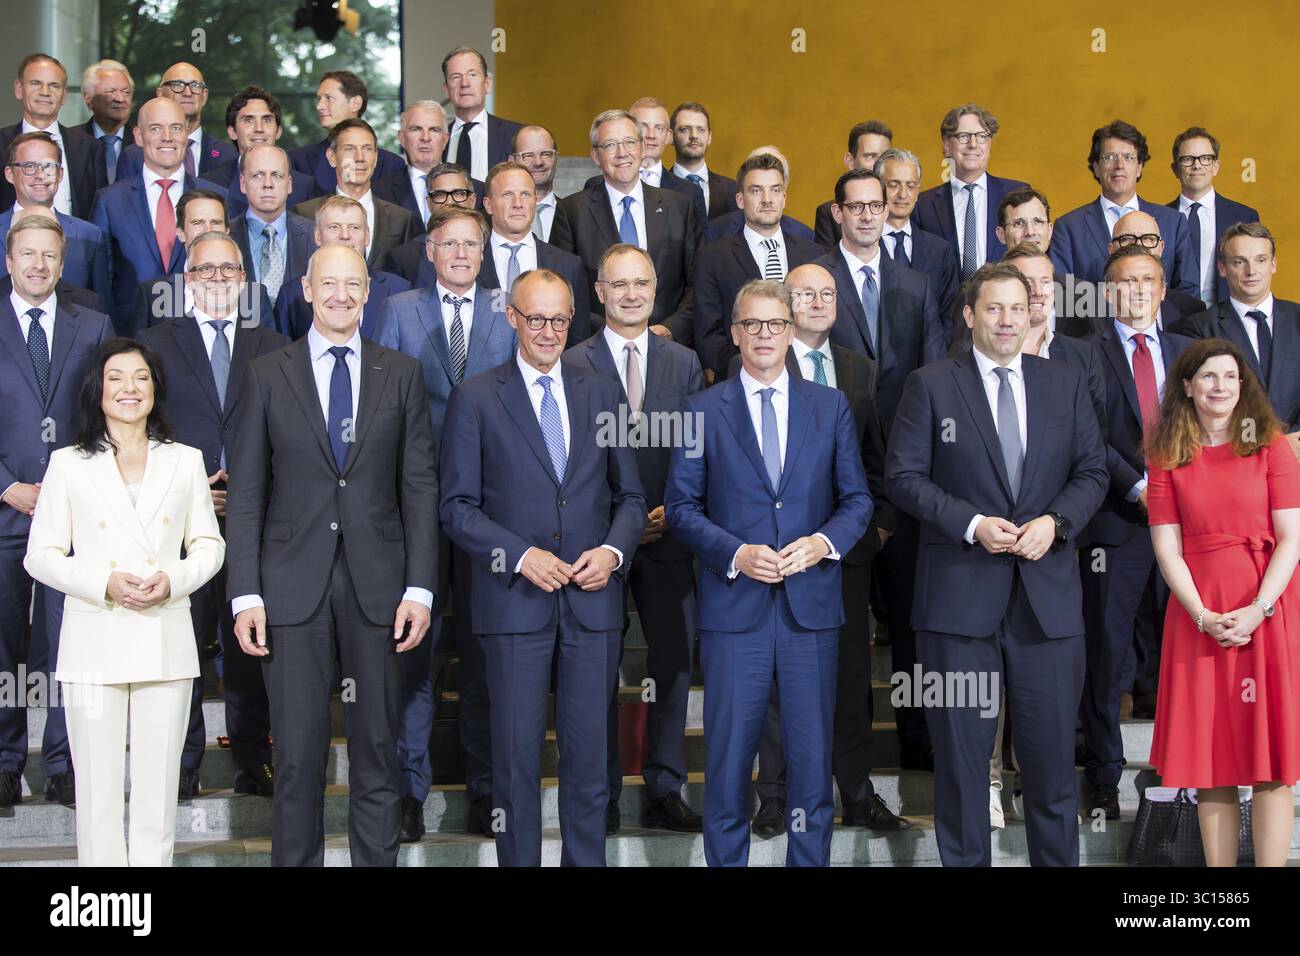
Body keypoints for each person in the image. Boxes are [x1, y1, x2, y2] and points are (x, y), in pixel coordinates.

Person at [885, 262, 1107, 866]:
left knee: (1053, 768)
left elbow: (1093, 471)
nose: (1007, 320)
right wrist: (972, 524)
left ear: (1033, 311)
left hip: (1049, 606)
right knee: (959, 770)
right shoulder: (931, 384)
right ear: (969, 315)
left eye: (1018, 307)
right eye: (993, 309)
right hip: (959, 606)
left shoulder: (1062, 382)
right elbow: (902, 477)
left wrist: (1055, 524)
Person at [225, 244, 437, 867]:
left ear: (368, 291)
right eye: (329, 283)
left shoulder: (400, 373)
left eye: (353, 283)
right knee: (295, 757)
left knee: (377, 750)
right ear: (307, 289)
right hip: (289, 589)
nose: (341, 294)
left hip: (381, 590)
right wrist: (246, 593)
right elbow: (247, 496)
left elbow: (419, 488)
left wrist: (420, 588)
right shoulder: (268, 373)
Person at [439, 268, 646, 867]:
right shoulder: (475, 397)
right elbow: (456, 507)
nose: (549, 331)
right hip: (513, 606)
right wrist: (522, 556)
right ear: (512, 318)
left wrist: (611, 552)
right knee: (515, 763)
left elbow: (631, 498)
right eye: (537, 318)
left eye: (560, 319)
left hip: (592, 606)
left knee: (588, 763)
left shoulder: (601, 393)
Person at [665, 279, 873, 866]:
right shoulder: (700, 410)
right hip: (736, 611)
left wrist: (821, 543)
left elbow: (857, 500)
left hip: (811, 609)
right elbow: (680, 508)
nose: (763, 335)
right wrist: (735, 554)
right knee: (729, 762)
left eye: (775, 324)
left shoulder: (829, 407)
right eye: (751, 325)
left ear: (791, 331)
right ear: (733, 334)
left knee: (812, 762)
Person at [24, 337, 224, 865]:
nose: (129, 389)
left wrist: (173, 579)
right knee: (96, 799)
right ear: (98, 390)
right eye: (116, 378)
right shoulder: (68, 464)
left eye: (140, 377)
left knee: (157, 798)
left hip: (164, 636)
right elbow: (40, 555)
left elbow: (209, 546)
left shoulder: (185, 461)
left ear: (155, 389)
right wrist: (103, 582)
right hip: (95, 637)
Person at [746, 263, 909, 837]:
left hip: (842, 553)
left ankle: (857, 793)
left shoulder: (860, 368)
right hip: (771, 554)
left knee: (848, 678)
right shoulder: (760, 358)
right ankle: (775, 795)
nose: (817, 301)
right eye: (803, 294)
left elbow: (877, 459)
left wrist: (873, 532)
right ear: (781, 308)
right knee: (774, 679)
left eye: (827, 293)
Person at [373, 204, 515, 841]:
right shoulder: (400, 311)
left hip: (489, 511)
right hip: (417, 511)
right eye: (448, 243)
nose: (460, 253)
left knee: (486, 660)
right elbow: (385, 408)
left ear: (484, 252)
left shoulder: (507, 314)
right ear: (429, 252)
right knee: (415, 659)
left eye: (471, 244)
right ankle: (408, 792)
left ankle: (490, 795)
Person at [561, 243, 706, 835]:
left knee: (672, 666)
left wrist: (675, 508)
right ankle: (601, 796)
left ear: (655, 290)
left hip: (670, 535)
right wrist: (618, 525)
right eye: (617, 284)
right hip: (597, 544)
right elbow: (566, 459)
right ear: (599, 292)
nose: (630, 294)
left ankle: (664, 789)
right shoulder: (571, 360)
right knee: (595, 669)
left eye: (640, 283)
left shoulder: (685, 362)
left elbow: (696, 448)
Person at [138, 231, 288, 800]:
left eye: (229, 270)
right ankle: (183, 765)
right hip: (178, 519)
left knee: (250, 645)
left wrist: (247, 485)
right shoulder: (155, 342)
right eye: (206, 271)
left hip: (255, 520)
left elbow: (287, 432)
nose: (219, 279)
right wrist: (192, 486)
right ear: (187, 280)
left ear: (245, 280)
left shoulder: (275, 344)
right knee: (182, 645)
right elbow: (144, 427)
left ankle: (254, 761)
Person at [1146, 337, 1300, 867]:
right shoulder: (1167, 452)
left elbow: (1292, 539)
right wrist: (1204, 616)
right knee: (1212, 759)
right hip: (1199, 613)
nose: (1221, 387)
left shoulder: (1270, 445)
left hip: (1268, 610)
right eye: (1208, 377)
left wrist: (1259, 608)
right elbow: (1166, 544)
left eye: (1231, 377)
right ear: (1187, 387)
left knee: (1270, 761)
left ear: (1243, 385)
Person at [821, 168, 944, 769]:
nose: (869, 214)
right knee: (842, 633)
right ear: (838, 213)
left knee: (909, 621)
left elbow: (929, 383)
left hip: (905, 478)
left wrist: (908, 483)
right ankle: (848, 754)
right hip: (833, 483)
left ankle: (917, 740)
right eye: (857, 205)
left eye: (878, 203)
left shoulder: (916, 285)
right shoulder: (815, 281)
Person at [0, 215, 111, 810]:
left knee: (70, 642)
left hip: (74, 519)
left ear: (62, 265)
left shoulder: (92, 327)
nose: (39, 265)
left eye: (50, 256)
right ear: (9, 261)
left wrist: (73, 486)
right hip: (4, 514)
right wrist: (5, 486)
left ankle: (65, 762)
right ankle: (4, 760)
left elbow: (109, 414)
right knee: (3, 647)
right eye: (28, 255)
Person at [1080, 246, 1192, 817]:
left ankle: (1186, 768)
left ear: (1164, 289)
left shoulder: (1189, 353)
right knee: (1106, 649)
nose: (1139, 290)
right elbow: (1088, 437)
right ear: (1108, 293)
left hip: (1187, 526)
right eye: (1126, 282)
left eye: (1148, 280)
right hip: (1115, 525)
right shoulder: (1085, 357)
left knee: (1186, 649)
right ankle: (1103, 772)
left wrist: (1176, 493)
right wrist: (1139, 489)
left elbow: (1212, 425)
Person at [551, 109, 699, 344]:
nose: (622, 153)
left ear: (641, 148)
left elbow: (696, 282)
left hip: (667, 346)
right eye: (610, 145)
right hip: (597, 346)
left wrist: (672, 328)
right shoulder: (572, 212)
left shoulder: (679, 207)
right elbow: (563, 289)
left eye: (629, 142)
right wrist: (613, 331)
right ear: (595, 156)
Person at [91, 97, 225, 336]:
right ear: (139, 136)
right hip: (130, 335)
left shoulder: (216, 198)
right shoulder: (109, 201)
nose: (167, 137)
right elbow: (101, 283)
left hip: (203, 333)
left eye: (176, 128)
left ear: (186, 134)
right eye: (156, 128)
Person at [693, 152, 822, 379]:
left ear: (784, 197)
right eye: (756, 190)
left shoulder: (812, 253)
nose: (767, 199)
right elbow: (708, 336)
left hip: (807, 378)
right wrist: (747, 370)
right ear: (740, 200)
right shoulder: (712, 257)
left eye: (775, 190)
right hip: (741, 380)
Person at [1169, 222, 1300, 442]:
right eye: (1240, 262)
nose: (1251, 271)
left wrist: (1293, 442)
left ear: (1273, 264)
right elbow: (1203, 401)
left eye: (1260, 260)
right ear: (1222, 268)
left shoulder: (1298, 318)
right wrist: (1269, 442)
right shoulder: (1200, 327)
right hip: (1236, 451)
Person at [1050, 120, 1198, 299]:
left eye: (1128, 157)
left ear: (1139, 167)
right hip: (1091, 325)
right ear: (1096, 167)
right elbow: (1062, 293)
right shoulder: (1069, 227)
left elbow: (1187, 292)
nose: (1119, 165)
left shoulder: (1173, 222)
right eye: (1109, 157)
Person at [132, 189, 272, 333]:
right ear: (180, 233)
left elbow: (269, 349)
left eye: (216, 222)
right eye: (197, 222)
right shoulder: (154, 294)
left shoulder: (255, 295)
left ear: (227, 231)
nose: (208, 230)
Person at [479, 160, 590, 341]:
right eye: (507, 195)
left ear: (535, 200)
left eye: (525, 194)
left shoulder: (568, 265)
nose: (518, 203)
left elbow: (577, 340)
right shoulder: (468, 261)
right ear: (488, 204)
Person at [911, 104, 1027, 277]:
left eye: (981, 136)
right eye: (963, 136)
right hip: (946, 303)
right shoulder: (923, 206)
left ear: (989, 144)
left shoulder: (1017, 194)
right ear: (946, 145)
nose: (973, 144)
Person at [276, 195, 409, 339]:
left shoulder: (399, 290)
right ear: (318, 235)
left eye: (354, 227)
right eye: (334, 227)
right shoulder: (291, 295)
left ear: (367, 235)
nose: (345, 235)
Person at [293, 119, 419, 269]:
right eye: (349, 149)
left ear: (376, 157)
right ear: (332, 157)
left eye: (367, 149)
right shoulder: (304, 214)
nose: (359, 158)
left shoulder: (401, 219)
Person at [0, 131, 111, 301]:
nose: (40, 175)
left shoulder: (90, 236)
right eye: (29, 166)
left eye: (49, 167)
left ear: (60, 174)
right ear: (9, 174)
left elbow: (101, 306)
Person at [0, 53, 105, 221]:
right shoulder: (1, 143)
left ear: (64, 95)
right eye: (36, 83)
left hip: (73, 243)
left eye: (54, 86)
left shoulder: (89, 147)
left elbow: (100, 211)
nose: (45, 92)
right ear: (19, 89)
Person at [1166, 127, 1259, 306]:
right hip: (1172, 322)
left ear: (1216, 167)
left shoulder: (1243, 216)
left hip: (1226, 322)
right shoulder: (1158, 219)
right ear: (1175, 169)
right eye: (1187, 159)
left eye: (1206, 159)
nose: (1197, 165)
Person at [583, 98, 706, 225]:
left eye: (658, 127)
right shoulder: (594, 185)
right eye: (643, 127)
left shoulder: (689, 192)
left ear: (669, 136)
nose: (651, 135)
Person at [875, 148, 961, 323]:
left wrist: (934, 350)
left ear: (917, 193)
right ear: (877, 187)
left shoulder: (940, 250)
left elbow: (951, 315)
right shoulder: (861, 245)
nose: (903, 194)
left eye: (911, 185)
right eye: (893, 184)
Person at [114, 63, 236, 183]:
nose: (187, 93)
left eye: (195, 85)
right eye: (178, 85)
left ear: (204, 96)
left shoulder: (228, 154)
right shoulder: (133, 155)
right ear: (160, 94)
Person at [288, 70, 404, 195]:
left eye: (328, 98)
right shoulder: (298, 161)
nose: (319, 106)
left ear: (355, 103)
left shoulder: (392, 165)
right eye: (319, 99)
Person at [202, 87, 316, 212]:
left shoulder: (304, 186)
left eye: (266, 120)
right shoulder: (209, 185)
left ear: (278, 131)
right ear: (232, 132)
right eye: (248, 120)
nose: (259, 128)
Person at [229, 145, 317, 307]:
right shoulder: (225, 237)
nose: (268, 184)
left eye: (276, 175)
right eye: (257, 176)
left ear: (289, 184)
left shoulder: (315, 236)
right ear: (242, 183)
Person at [379, 163, 481, 288]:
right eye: (440, 195)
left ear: (472, 200)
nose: (449, 202)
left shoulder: (493, 248)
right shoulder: (404, 258)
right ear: (428, 203)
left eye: (458, 193)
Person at [441, 46, 524, 180]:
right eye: (456, 76)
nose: (465, 83)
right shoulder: (437, 140)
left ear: (487, 84)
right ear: (446, 89)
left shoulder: (517, 136)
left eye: (472, 74)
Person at [813, 120, 892, 250]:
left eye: (885, 157)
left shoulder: (908, 207)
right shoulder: (829, 214)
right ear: (850, 161)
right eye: (871, 156)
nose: (879, 164)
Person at [372, 100, 451, 227]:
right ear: (402, 138)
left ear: (445, 139)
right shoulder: (378, 192)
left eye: (434, 130)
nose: (425, 138)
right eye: (416, 129)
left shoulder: (473, 189)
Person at [669, 101, 737, 221]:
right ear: (671, 136)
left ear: (709, 137)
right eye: (685, 129)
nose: (694, 135)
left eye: (701, 130)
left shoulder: (733, 190)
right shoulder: (657, 187)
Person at [79, 59, 133, 185]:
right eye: (110, 91)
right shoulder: (72, 142)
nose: (120, 99)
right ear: (88, 98)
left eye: (126, 92)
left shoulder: (143, 142)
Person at [510, 125, 560, 241]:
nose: (538, 162)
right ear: (512, 161)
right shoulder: (495, 217)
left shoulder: (574, 215)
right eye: (528, 155)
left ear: (556, 159)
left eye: (546, 154)